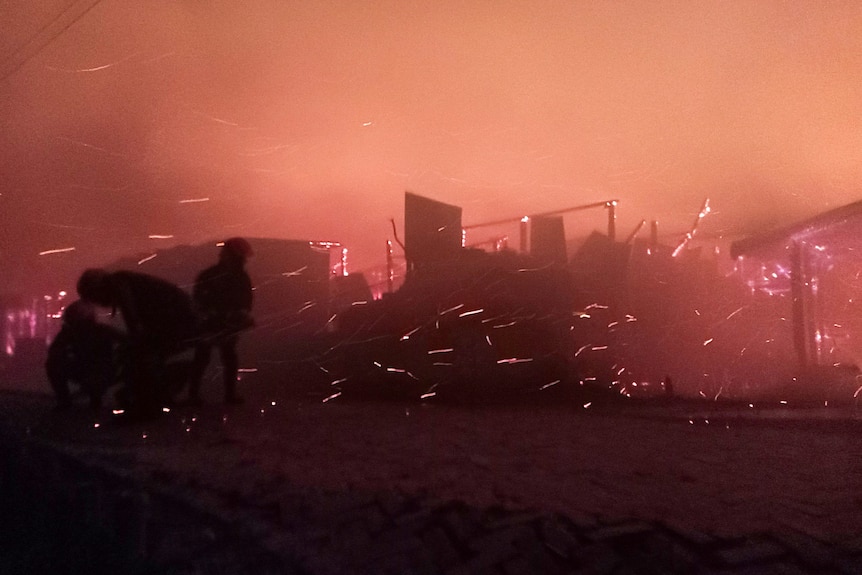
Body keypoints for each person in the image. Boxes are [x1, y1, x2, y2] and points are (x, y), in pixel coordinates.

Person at [76, 268, 199, 417]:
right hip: (178, 319)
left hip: (179, 321)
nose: (98, 303)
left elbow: (132, 318)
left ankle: (147, 401)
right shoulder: (122, 281)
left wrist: (135, 343)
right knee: (140, 354)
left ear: (97, 287)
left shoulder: (119, 283)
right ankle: (152, 396)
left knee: (140, 356)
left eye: (93, 297)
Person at [187, 237, 254, 405]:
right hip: (216, 323)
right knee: (217, 358)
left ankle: (195, 395)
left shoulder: (219, 275)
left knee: (208, 358)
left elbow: (245, 301)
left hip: (219, 323)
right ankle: (220, 396)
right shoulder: (237, 277)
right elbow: (246, 301)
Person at [46, 298, 120, 409]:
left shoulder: (102, 331)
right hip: (85, 368)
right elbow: (54, 351)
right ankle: (66, 401)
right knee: (53, 364)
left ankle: (93, 399)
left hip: (101, 370)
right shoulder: (70, 332)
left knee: (96, 379)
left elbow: (125, 342)